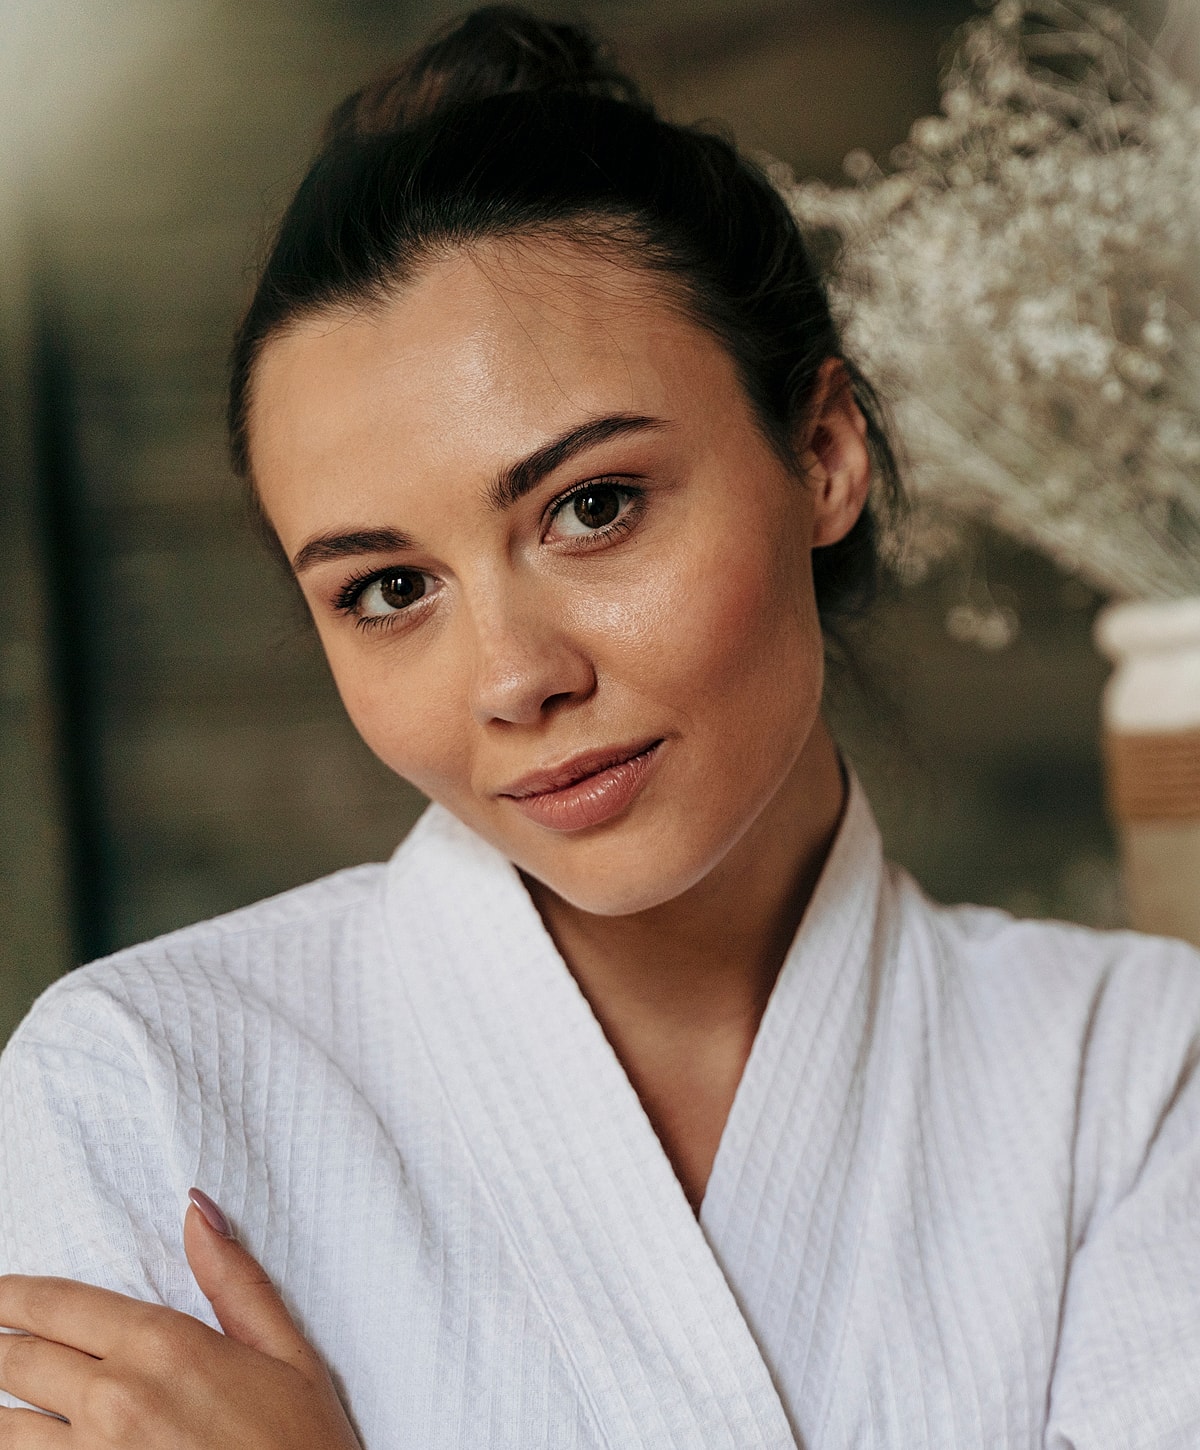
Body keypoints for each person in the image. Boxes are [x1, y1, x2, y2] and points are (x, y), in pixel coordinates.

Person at [2, 7, 1200, 1448]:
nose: (513, 678)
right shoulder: (140, 1083)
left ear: (821, 456)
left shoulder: (1135, 1076)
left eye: (592, 507)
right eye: (388, 588)